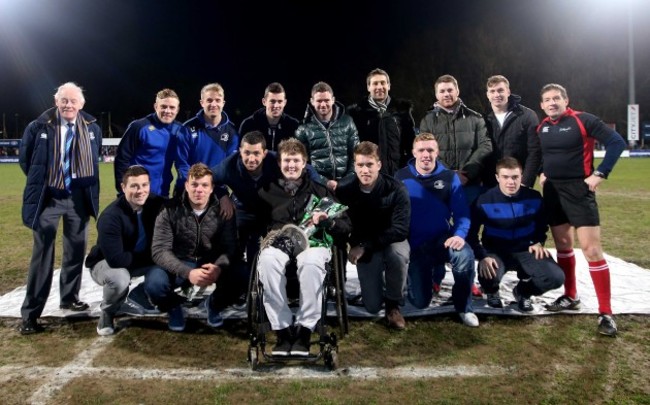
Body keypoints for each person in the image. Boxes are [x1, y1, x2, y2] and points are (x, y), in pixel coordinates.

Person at [537, 83, 626, 337]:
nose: (552, 102)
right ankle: (570, 295)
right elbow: (545, 154)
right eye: (547, 99)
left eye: (556, 98)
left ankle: (606, 312)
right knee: (564, 246)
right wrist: (544, 172)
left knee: (591, 250)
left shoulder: (583, 120)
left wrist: (600, 173)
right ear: (542, 105)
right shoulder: (541, 127)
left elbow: (616, 142)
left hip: (579, 191)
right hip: (553, 192)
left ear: (566, 100)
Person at [18, 82, 102, 335]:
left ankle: (69, 297)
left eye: (73, 101)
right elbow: (27, 160)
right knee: (42, 255)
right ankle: (31, 314)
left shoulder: (92, 128)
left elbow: (94, 159)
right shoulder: (39, 126)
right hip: (49, 198)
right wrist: (50, 182)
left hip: (79, 198)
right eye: (64, 100)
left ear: (81, 104)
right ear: (56, 101)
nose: (68, 105)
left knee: (75, 251)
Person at [256, 138, 351, 356]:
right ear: (280, 163)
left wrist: (328, 221)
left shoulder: (320, 191)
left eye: (296, 161)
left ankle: (305, 329)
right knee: (267, 261)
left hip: (314, 243)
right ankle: (282, 329)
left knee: (310, 263)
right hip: (279, 242)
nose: (291, 165)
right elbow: (254, 223)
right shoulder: (266, 191)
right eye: (287, 161)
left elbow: (346, 226)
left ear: (305, 162)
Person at [395, 133, 478, 327]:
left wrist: (458, 235)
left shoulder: (449, 177)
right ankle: (416, 277)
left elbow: (462, 214)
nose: (426, 154)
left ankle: (464, 307)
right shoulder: (400, 177)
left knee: (464, 255)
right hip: (414, 247)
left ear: (437, 152)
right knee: (420, 302)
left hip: (442, 240)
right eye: (421, 150)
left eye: (430, 150)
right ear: (413, 152)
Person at [467, 157, 565, 311]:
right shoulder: (483, 200)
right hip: (496, 251)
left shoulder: (534, 197)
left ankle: (523, 292)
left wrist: (538, 241)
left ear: (521, 177)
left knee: (556, 277)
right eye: (505, 177)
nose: (511, 182)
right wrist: (483, 256)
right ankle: (492, 291)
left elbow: (541, 225)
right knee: (488, 272)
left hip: (526, 250)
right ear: (497, 177)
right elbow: (471, 234)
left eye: (515, 177)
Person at [149, 163, 237, 331]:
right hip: (181, 262)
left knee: (243, 274)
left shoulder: (223, 210)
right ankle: (174, 307)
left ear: (212, 188)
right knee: (154, 283)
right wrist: (187, 272)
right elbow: (160, 250)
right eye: (194, 185)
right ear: (187, 186)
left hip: (211, 263)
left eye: (204, 185)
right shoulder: (169, 209)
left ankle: (214, 304)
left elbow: (230, 247)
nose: (199, 190)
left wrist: (218, 267)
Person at [336, 141, 410, 329]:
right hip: (364, 246)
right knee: (372, 306)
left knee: (397, 256)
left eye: (369, 164)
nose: (365, 170)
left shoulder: (396, 188)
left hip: (391, 241)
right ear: (354, 166)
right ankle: (379, 288)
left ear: (379, 165)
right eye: (360, 165)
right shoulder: (345, 190)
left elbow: (400, 229)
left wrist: (365, 245)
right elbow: (341, 224)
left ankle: (394, 305)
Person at [85, 165, 165, 335]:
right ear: (123, 188)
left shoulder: (156, 203)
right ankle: (107, 313)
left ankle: (138, 295)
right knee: (120, 278)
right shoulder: (110, 216)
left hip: (139, 259)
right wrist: (154, 257)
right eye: (134, 186)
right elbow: (116, 259)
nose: (140, 191)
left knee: (176, 263)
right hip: (106, 264)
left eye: (144, 185)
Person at [419, 74, 492, 205]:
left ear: (457, 91)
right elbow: (425, 151)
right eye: (442, 91)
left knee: (469, 225)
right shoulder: (427, 121)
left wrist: (467, 173)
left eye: (450, 90)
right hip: (440, 184)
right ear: (436, 95)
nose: (446, 94)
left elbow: (485, 146)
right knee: (441, 225)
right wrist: (449, 175)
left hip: (470, 184)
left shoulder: (475, 118)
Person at [115, 88, 182, 198]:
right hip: (137, 194)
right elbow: (122, 159)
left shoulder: (180, 130)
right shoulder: (139, 127)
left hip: (163, 194)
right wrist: (122, 191)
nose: (167, 111)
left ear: (177, 109)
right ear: (156, 107)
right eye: (163, 106)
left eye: (172, 107)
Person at [347, 68, 416, 175]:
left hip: (398, 173)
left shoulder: (402, 111)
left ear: (389, 85)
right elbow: (352, 149)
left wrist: (407, 168)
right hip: (370, 175)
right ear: (368, 87)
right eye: (375, 83)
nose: (379, 87)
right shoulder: (356, 114)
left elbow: (411, 144)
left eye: (383, 83)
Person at [175, 83, 239, 196]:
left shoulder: (232, 132)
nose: (213, 104)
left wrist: (221, 193)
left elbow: (229, 168)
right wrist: (196, 187)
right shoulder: (187, 129)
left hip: (216, 191)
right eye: (209, 100)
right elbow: (181, 163)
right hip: (189, 190)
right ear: (202, 103)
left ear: (223, 103)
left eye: (217, 100)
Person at [295, 81, 359, 191]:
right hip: (318, 187)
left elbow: (357, 155)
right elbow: (301, 163)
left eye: (327, 100)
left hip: (348, 186)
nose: (323, 104)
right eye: (319, 101)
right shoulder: (303, 129)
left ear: (333, 100)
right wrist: (324, 182)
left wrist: (344, 182)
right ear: (312, 101)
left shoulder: (347, 122)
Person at [483, 75, 541, 188]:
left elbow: (535, 152)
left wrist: (526, 181)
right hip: (491, 184)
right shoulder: (483, 119)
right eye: (492, 91)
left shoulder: (527, 116)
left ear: (508, 92)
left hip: (518, 182)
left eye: (500, 90)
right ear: (488, 95)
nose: (497, 95)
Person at [239, 82, 300, 152]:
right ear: (264, 102)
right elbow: (241, 154)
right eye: (272, 101)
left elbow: (298, 153)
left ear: (285, 103)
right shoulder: (248, 124)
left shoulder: (294, 125)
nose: (276, 106)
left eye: (280, 101)